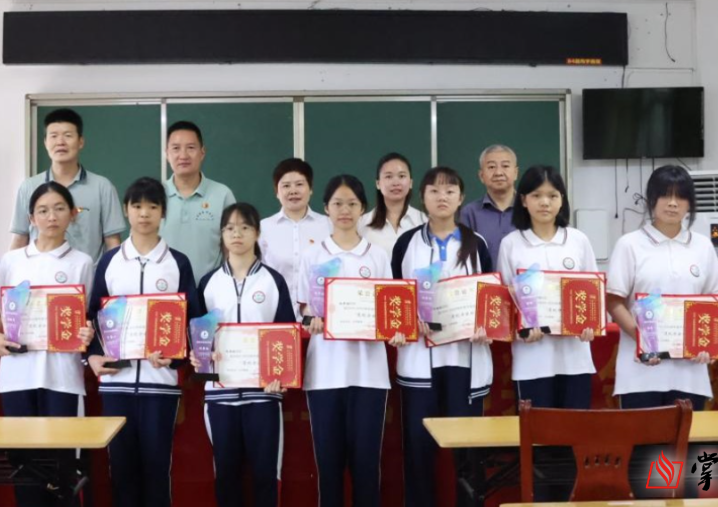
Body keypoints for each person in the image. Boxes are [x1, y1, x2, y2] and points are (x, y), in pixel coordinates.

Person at [86, 177, 199, 507]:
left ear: (163, 212)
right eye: (137, 206)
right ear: (126, 210)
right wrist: (93, 356)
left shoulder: (177, 262)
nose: (144, 213)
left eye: (152, 206)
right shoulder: (110, 261)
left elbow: (192, 320)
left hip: (159, 384)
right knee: (121, 470)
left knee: (156, 469)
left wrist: (175, 359)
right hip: (116, 384)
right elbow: (93, 316)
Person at [297, 174, 407, 507]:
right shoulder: (312, 255)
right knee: (329, 467)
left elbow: (391, 310)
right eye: (337, 203)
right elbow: (302, 311)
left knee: (366, 466)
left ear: (363, 208)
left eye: (352, 204)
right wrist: (312, 320)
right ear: (326, 208)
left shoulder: (377, 255)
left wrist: (396, 330)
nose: (344, 210)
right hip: (325, 374)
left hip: (368, 374)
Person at [391, 167, 493, 507]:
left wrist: (485, 325)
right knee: (418, 449)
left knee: (468, 450)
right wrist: (408, 321)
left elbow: (490, 301)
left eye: (450, 191)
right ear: (422, 197)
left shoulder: (477, 243)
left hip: (465, 358)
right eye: (434, 191)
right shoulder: (406, 243)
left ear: (461, 198)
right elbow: (394, 300)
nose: (442, 197)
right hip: (419, 360)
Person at [0, 181, 95, 507]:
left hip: (61, 377)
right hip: (17, 376)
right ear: (31, 218)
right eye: (43, 210)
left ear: (73, 214)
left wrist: (86, 334)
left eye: (60, 209)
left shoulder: (82, 262)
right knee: (23, 464)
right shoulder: (12, 260)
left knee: (61, 467)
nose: (52, 217)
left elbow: (87, 318)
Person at [191, 202, 296, 507]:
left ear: (257, 233)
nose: (237, 234)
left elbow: (286, 336)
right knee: (226, 476)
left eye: (245, 227)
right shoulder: (208, 283)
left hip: (264, 395)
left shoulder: (273, 281)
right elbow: (198, 338)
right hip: (220, 396)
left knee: (266, 476)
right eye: (230, 228)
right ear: (222, 234)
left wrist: (281, 376)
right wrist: (198, 357)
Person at [606, 165, 718, 410]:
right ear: (651, 199)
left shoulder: (703, 247)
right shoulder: (629, 244)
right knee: (644, 436)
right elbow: (614, 302)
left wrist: (707, 343)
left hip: (690, 373)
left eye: (680, 196)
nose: (672, 203)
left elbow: (714, 301)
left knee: (689, 436)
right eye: (665, 195)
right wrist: (642, 339)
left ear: (690, 203)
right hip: (641, 372)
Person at [496, 165, 597, 409]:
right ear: (523, 200)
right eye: (536, 195)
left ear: (562, 200)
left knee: (574, 429)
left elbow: (593, 294)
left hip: (575, 359)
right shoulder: (511, 244)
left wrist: (590, 324)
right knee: (537, 431)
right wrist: (522, 329)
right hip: (532, 360)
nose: (545, 202)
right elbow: (505, 301)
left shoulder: (578, 240)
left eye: (552, 195)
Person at [10, 108, 126, 260]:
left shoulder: (102, 187)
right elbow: (20, 238)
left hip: (87, 273)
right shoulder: (29, 187)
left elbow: (112, 241)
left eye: (68, 135)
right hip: (39, 273)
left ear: (80, 141)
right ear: (45, 142)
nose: (60, 142)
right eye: (54, 136)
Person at [161, 120, 237, 281]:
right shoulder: (154, 194)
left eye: (190, 147)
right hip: (164, 290)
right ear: (167, 154)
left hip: (210, 289)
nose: (183, 155)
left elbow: (232, 248)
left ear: (202, 152)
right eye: (176, 148)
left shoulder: (222, 194)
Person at [260, 158, 331, 318]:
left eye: (299, 184)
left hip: (319, 321)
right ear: (277, 192)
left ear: (310, 189)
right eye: (286, 186)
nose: (293, 191)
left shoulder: (328, 226)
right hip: (275, 317)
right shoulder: (263, 228)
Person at [358, 152, 427, 256]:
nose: (396, 183)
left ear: (411, 182)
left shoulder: (424, 222)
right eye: (389, 176)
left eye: (402, 176)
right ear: (378, 184)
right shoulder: (362, 224)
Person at [461, 144, 520, 263]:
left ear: (516, 173)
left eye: (505, 166)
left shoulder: (530, 209)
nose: (498, 172)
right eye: (491, 167)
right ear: (481, 176)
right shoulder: (469, 213)